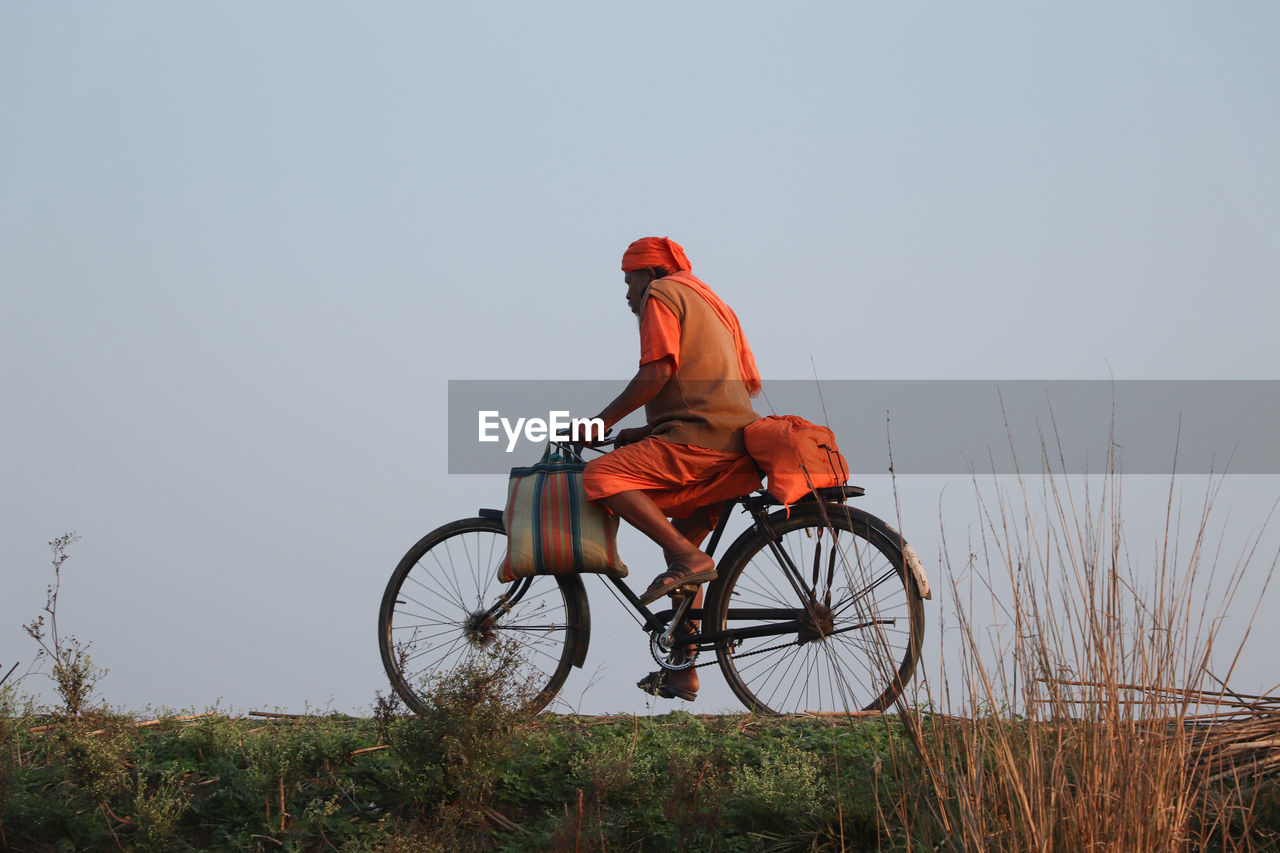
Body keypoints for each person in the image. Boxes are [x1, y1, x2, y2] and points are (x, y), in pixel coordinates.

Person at [582, 236, 762, 701]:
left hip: (700, 444)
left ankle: (690, 559)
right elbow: (713, 390)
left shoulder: (661, 295)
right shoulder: (707, 298)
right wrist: (642, 433)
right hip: (734, 445)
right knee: (679, 543)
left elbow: (657, 372)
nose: (627, 294)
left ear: (650, 274)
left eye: (628, 281)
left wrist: (599, 423)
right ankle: (683, 669)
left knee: (601, 477)